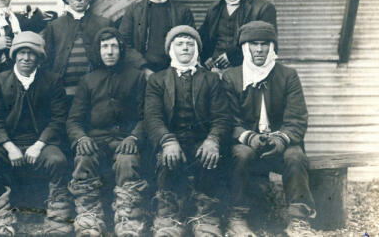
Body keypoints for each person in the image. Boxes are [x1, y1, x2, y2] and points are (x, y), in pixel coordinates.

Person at [0, 31, 72, 235]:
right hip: (7, 142)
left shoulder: (52, 81)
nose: (26, 58)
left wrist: (39, 145)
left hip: (41, 142)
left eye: (31, 53)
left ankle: (57, 217)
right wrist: (9, 146)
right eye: (21, 52)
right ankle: (1, 215)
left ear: (39, 57)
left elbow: (58, 119)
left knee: (57, 161)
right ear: (14, 55)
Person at [223, 21, 315, 237]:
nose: (259, 50)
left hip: (280, 145)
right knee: (240, 155)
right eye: (253, 44)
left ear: (272, 47)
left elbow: (297, 118)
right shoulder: (231, 77)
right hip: (247, 144)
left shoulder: (288, 75)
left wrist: (282, 139)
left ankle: (299, 221)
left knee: (295, 156)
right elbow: (228, 120)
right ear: (244, 47)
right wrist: (249, 137)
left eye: (264, 44)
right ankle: (237, 218)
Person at [145, 25, 230, 237]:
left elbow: (222, 116)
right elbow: (152, 117)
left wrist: (213, 140)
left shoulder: (211, 79)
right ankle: (168, 217)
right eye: (180, 44)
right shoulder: (157, 80)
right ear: (170, 49)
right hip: (172, 142)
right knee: (166, 162)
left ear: (197, 49)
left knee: (209, 161)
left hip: (201, 141)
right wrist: (167, 141)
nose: (185, 48)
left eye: (190, 44)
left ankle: (206, 218)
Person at [67, 27, 147, 237]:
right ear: (98, 50)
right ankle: (89, 219)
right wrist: (81, 138)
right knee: (84, 158)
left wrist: (134, 137)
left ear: (121, 49)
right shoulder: (88, 80)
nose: (109, 52)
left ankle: (128, 221)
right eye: (104, 47)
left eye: (113, 46)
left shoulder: (137, 77)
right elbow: (74, 120)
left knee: (128, 161)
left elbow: (146, 116)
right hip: (96, 140)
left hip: (125, 140)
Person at [42, 0, 113, 101]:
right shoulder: (55, 26)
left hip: (96, 92)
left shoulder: (103, 24)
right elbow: (47, 61)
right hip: (62, 93)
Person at [119, 0, 195, 77]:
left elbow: (191, 43)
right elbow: (123, 42)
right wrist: (143, 68)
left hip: (175, 73)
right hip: (142, 73)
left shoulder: (182, 11)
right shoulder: (134, 10)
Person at [198, 0, 276, 71]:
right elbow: (202, 39)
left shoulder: (263, 8)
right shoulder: (214, 9)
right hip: (215, 72)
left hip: (246, 71)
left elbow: (269, 46)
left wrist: (232, 57)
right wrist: (205, 57)